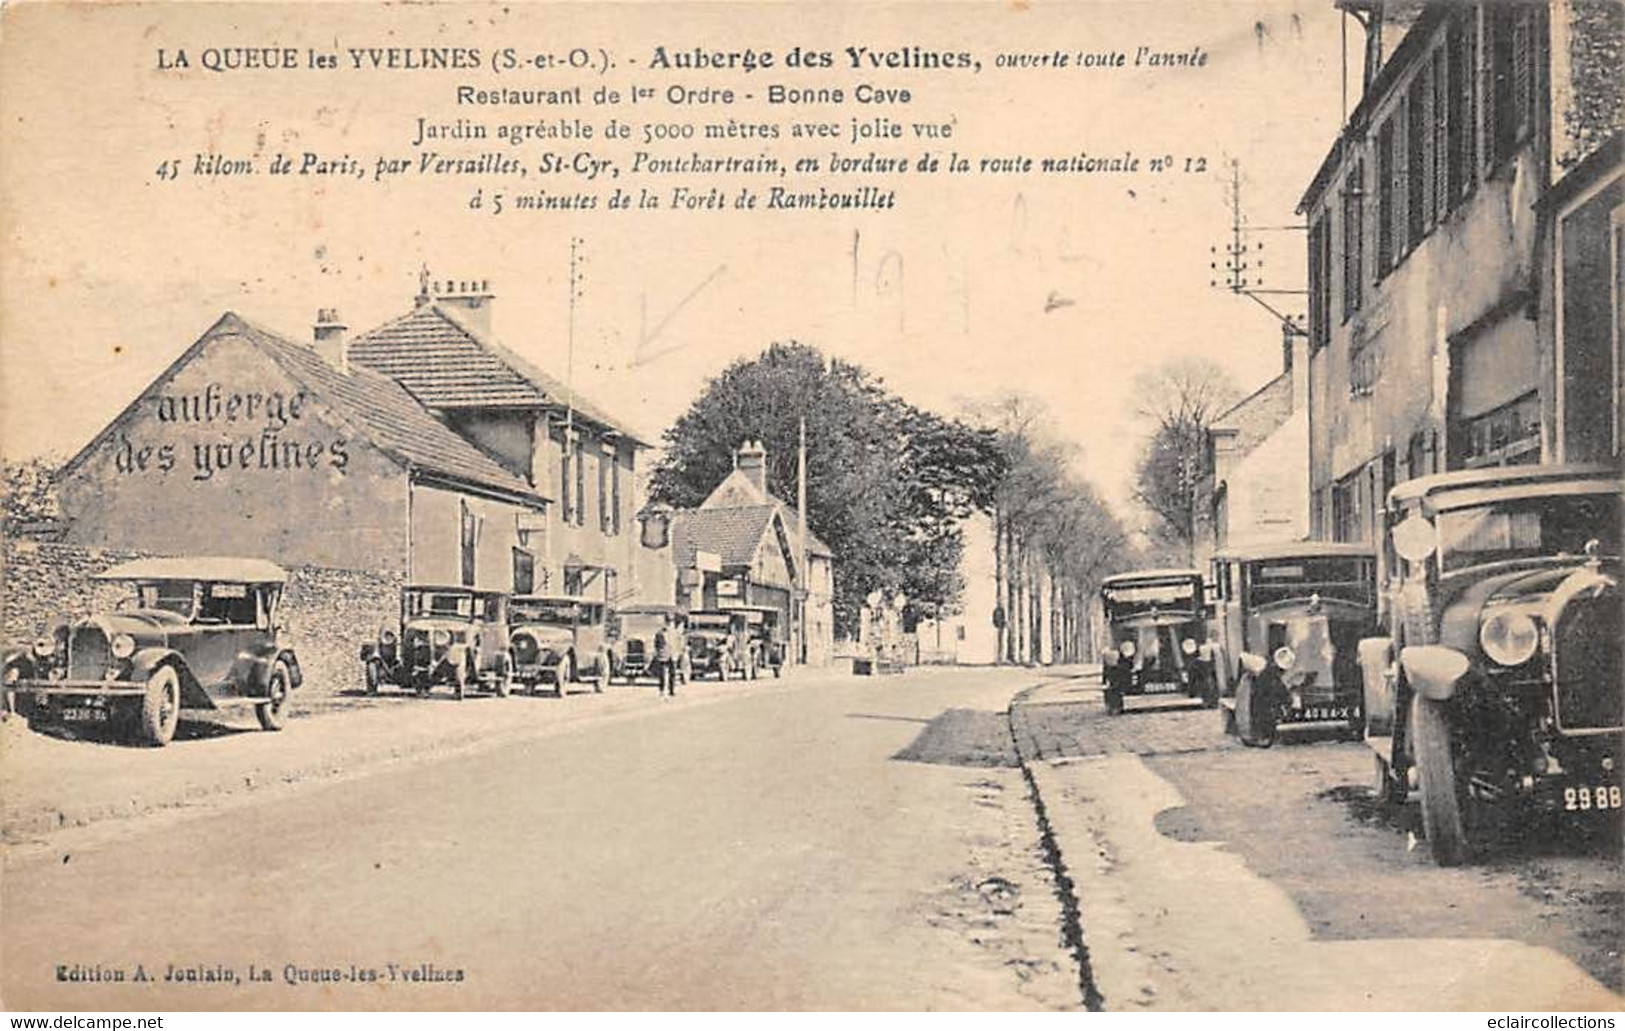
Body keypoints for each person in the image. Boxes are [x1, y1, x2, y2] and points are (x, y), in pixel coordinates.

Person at [653, 615, 677, 697]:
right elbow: (656, 644)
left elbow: (677, 642)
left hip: (672, 654)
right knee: (662, 673)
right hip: (663, 654)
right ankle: (662, 689)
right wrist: (657, 652)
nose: (670, 623)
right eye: (668, 621)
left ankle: (672, 690)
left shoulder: (674, 632)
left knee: (673, 673)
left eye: (671, 621)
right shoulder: (660, 633)